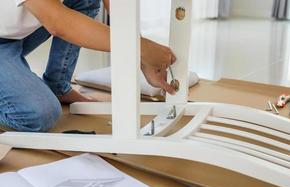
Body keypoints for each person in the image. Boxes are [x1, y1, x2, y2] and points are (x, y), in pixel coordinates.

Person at [0, 0, 177, 132]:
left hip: (12, 35)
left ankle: (57, 85)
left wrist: (141, 57)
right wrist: (141, 48)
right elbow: (59, 23)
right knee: (37, 115)